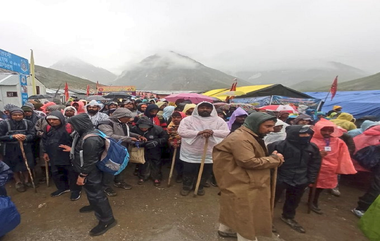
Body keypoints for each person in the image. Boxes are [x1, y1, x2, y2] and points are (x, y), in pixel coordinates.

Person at [212, 112, 284, 241]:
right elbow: (248, 161)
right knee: (246, 214)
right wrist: (274, 160)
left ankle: (225, 230)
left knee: (233, 207)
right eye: (267, 126)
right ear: (255, 124)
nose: (271, 130)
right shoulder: (241, 139)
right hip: (241, 181)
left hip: (238, 178)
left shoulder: (249, 135)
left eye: (272, 126)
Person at [66, 114, 116, 236]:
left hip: (91, 172)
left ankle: (107, 220)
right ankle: (94, 205)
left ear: (80, 124)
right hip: (88, 169)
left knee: (97, 195)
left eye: (73, 125)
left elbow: (90, 161)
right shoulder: (84, 133)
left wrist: (82, 175)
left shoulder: (91, 139)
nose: (71, 127)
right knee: (92, 193)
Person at [268, 125, 321, 233]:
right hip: (281, 177)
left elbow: (315, 163)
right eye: (303, 134)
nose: (306, 136)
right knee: (271, 200)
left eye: (308, 134)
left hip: (301, 178)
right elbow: (268, 162)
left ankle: (288, 216)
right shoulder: (278, 145)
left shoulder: (312, 147)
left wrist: (310, 178)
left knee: (294, 200)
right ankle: (266, 219)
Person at [178, 101, 229, 196]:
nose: (205, 109)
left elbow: (225, 132)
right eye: (202, 107)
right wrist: (199, 133)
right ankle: (186, 186)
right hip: (190, 152)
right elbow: (182, 132)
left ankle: (200, 187)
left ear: (212, 109)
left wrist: (212, 132)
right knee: (189, 171)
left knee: (205, 172)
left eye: (208, 107)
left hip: (209, 152)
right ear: (197, 109)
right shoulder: (188, 120)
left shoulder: (219, 121)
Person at [310, 118, 357, 214]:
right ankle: (309, 201)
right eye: (324, 130)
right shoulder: (311, 139)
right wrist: (317, 154)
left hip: (329, 169)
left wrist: (341, 168)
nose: (327, 132)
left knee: (320, 187)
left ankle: (313, 201)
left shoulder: (338, 141)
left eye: (330, 130)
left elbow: (344, 155)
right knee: (308, 185)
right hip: (313, 167)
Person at [98, 108, 145, 192]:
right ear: (120, 116)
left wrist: (137, 136)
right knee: (110, 167)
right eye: (127, 117)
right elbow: (109, 136)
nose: (129, 119)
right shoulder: (106, 124)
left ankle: (119, 181)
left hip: (122, 148)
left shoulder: (123, 123)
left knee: (122, 165)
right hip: (111, 150)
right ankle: (105, 186)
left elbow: (125, 132)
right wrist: (129, 138)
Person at [42, 111, 81, 200]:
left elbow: (78, 141)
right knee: (57, 172)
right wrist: (45, 152)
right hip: (53, 155)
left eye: (54, 119)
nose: (51, 121)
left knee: (72, 173)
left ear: (61, 119)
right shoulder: (48, 128)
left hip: (68, 155)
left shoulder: (70, 127)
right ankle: (63, 188)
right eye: (49, 119)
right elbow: (44, 140)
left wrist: (72, 149)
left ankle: (75, 190)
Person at [0, 108, 36, 192]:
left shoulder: (28, 123)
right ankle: (18, 181)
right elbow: (1, 136)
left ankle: (27, 180)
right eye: (15, 115)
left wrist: (26, 137)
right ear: (11, 115)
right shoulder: (4, 124)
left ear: (23, 115)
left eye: (20, 115)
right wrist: (12, 136)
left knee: (26, 164)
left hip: (25, 147)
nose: (17, 116)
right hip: (10, 148)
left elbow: (33, 134)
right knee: (13, 165)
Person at [131, 116, 168, 186]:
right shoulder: (134, 129)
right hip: (141, 149)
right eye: (141, 127)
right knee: (142, 162)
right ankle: (143, 176)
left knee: (156, 162)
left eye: (145, 127)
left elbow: (165, 137)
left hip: (155, 148)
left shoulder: (157, 129)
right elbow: (130, 137)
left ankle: (156, 177)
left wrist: (157, 141)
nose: (143, 128)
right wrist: (136, 143)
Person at [167, 111, 187, 183]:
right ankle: (180, 174)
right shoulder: (170, 127)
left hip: (186, 146)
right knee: (177, 160)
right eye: (174, 117)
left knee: (185, 161)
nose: (176, 119)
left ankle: (186, 175)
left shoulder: (187, 126)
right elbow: (171, 137)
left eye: (178, 117)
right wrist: (173, 143)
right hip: (176, 146)